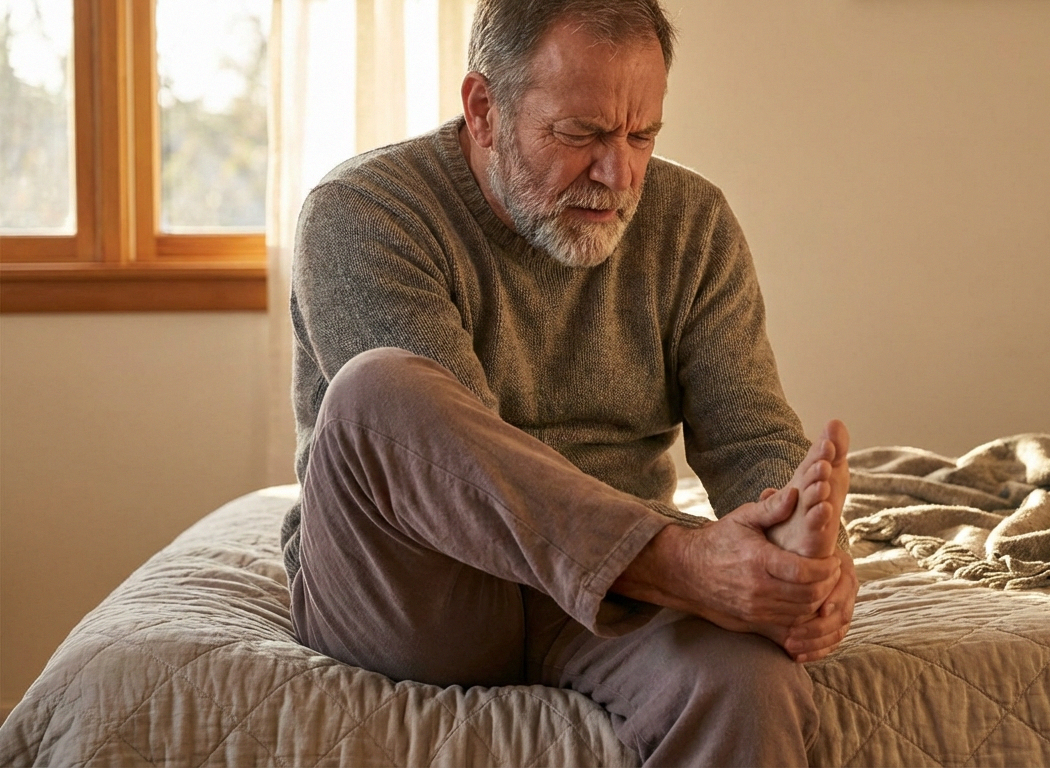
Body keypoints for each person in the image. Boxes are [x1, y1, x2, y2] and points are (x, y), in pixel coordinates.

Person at [280, 0, 857, 764]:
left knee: (752, 684)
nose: (618, 173)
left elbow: (749, 435)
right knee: (377, 389)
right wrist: (685, 565)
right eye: (580, 134)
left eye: (641, 135)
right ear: (484, 109)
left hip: (619, 601)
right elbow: (452, 476)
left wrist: (800, 560)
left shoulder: (694, 223)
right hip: (422, 584)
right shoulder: (363, 212)